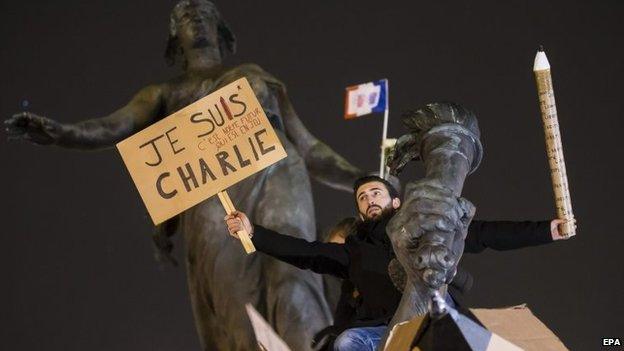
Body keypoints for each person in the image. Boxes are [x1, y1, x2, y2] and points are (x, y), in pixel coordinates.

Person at [4, 1, 364, 349]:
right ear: (175, 37)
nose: (196, 19)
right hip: (213, 198)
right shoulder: (164, 94)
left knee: (294, 275)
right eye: (185, 16)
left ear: (220, 28)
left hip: (278, 175)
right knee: (236, 303)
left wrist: (364, 182)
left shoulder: (254, 77)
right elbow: (111, 127)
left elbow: (309, 147)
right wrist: (61, 133)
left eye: (204, 13)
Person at [225, 175, 571, 351]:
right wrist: (254, 232)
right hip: (385, 334)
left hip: (432, 319)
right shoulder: (354, 251)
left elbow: (485, 234)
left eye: (375, 193)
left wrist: (547, 230)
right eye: (362, 197)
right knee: (348, 343)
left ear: (395, 200)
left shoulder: (422, 231)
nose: (368, 199)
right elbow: (305, 252)